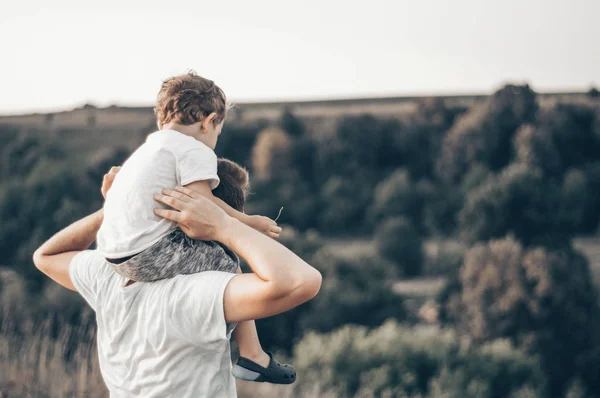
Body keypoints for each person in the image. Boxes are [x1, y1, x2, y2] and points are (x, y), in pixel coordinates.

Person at [33, 166, 322, 397]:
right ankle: (253, 356)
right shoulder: (192, 293)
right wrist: (225, 226)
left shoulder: (109, 274)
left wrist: (112, 208)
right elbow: (301, 281)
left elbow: (46, 255)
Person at [95, 71, 293, 382]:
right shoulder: (194, 149)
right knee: (227, 262)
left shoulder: (147, 150)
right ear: (208, 120)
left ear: (163, 119)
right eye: (218, 130)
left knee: (202, 247)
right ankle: (253, 356)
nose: (214, 139)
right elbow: (203, 203)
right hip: (147, 253)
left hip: (112, 253)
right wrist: (247, 223)